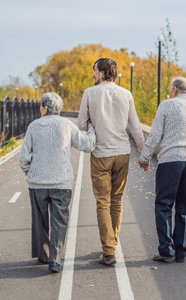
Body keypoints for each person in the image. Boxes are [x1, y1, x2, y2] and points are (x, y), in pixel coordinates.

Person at [138, 76, 186, 263]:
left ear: (174, 89)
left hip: (170, 161)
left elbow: (155, 135)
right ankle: (180, 251)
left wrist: (144, 157)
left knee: (163, 205)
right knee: (184, 207)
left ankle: (166, 250)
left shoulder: (166, 105)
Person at [78, 58, 145, 266]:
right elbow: (135, 127)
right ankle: (112, 244)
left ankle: (108, 251)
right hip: (123, 154)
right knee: (116, 200)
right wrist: (143, 154)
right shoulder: (126, 94)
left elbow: (80, 123)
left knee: (103, 202)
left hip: (101, 154)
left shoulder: (90, 93)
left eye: (95, 71)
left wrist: (93, 127)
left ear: (103, 72)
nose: (93, 75)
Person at [19, 92, 96, 273]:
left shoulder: (33, 126)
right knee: (59, 221)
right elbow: (87, 145)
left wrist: (29, 172)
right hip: (61, 182)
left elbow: (23, 157)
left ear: (45, 108)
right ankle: (55, 259)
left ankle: (43, 254)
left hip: (37, 184)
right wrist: (91, 130)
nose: (40, 109)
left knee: (40, 220)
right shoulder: (67, 125)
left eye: (41, 106)